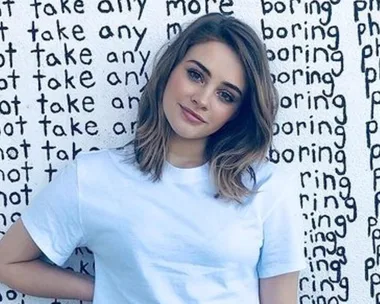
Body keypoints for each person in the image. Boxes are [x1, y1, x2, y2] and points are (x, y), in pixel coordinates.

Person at [0, 13, 305, 303]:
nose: (202, 99)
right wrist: (104, 292)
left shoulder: (267, 188)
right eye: (196, 75)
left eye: (225, 95)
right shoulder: (93, 178)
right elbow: (8, 262)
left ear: (238, 112)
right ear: (170, 69)